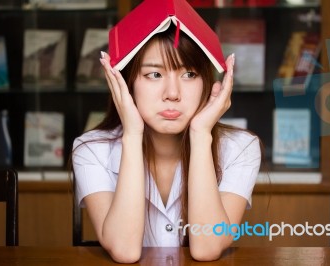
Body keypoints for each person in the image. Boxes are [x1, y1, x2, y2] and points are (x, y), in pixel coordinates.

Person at [72, 5, 261, 264]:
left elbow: (207, 247)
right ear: (125, 83)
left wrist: (201, 134)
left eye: (189, 74)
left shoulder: (240, 147)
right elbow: (124, 251)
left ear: (208, 81)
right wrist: (132, 134)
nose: (172, 93)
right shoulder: (91, 149)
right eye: (154, 74)